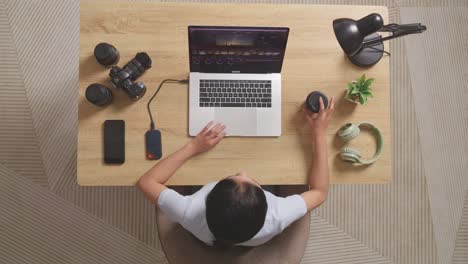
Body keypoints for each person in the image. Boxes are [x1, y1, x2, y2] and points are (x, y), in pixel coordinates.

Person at [137, 97, 334, 247]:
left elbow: (147, 182)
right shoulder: (278, 215)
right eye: (249, 180)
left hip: (210, 237)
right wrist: (318, 133)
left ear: (206, 201)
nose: (243, 171)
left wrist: (193, 147)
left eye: (233, 177)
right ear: (266, 206)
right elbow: (320, 192)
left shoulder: (189, 211)